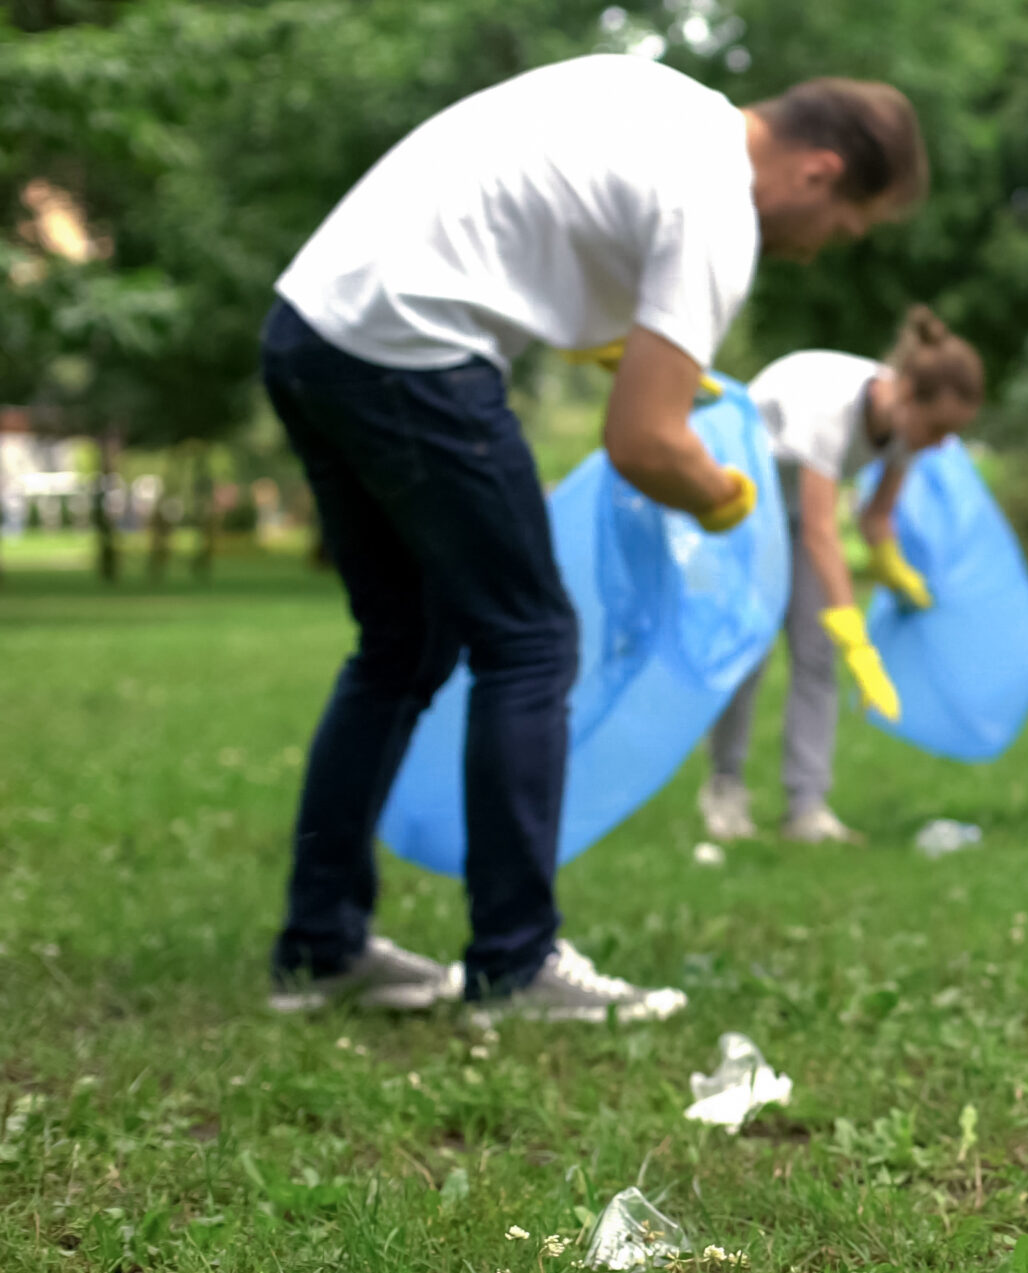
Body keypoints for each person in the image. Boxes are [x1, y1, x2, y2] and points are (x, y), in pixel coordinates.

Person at [263, 54, 929, 1021]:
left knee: (401, 646)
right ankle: (515, 964)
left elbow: (526, 214)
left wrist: (611, 342)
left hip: (312, 325)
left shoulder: (662, 104)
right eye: (843, 225)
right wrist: (723, 494)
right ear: (820, 170)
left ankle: (322, 947)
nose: (823, 247)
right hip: (413, 348)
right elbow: (644, 443)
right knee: (530, 639)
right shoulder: (718, 211)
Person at [698, 308, 985, 844]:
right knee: (750, 653)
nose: (943, 443)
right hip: (745, 509)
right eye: (939, 427)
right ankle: (725, 789)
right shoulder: (829, 406)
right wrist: (857, 636)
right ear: (905, 395)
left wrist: (893, 568)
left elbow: (874, 516)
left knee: (816, 654)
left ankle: (807, 808)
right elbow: (821, 530)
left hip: (802, 516)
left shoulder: (905, 430)